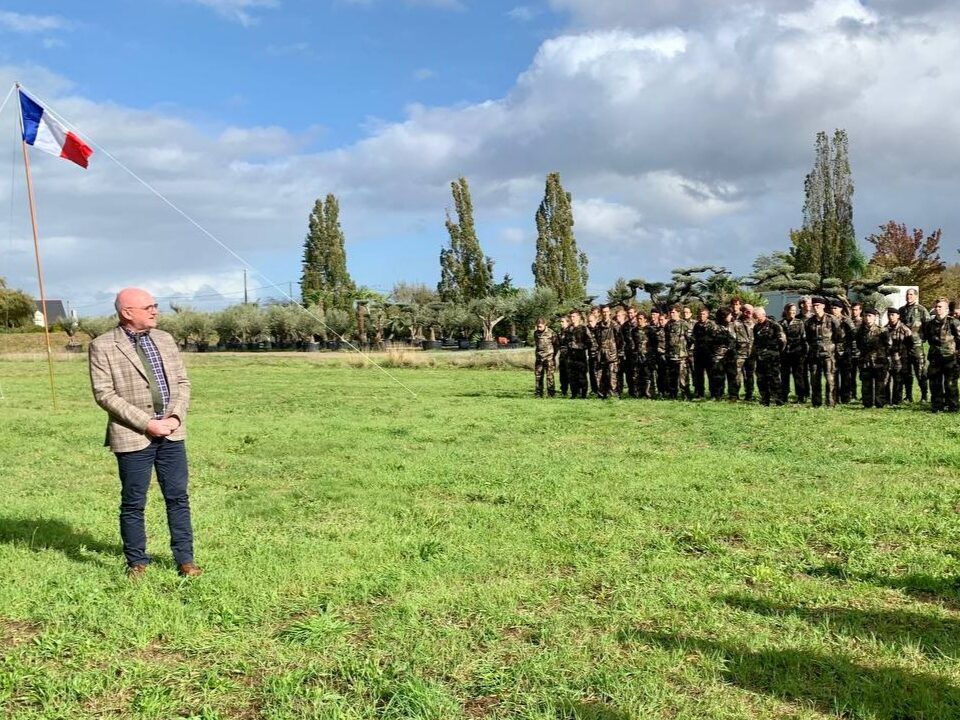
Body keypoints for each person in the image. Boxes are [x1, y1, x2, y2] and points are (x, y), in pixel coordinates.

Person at [88, 288, 201, 578]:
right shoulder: (103, 345)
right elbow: (104, 394)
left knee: (178, 497)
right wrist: (147, 423)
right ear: (127, 312)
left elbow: (182, 382)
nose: (155, 311)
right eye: (148, 307)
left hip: (172, 433)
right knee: (134, 501)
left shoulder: (164, 339)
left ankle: (186, 561)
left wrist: (175, 416)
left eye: (155, 305)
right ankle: (137, 562)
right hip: (133, 435)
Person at [923, 297, 960, 412]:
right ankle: (937, 405)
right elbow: (927, 338)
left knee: (950, 383)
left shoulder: (953, 322)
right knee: (935, 383)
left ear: (947, 309)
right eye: (936, 307)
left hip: (950, 357)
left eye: (940, 307)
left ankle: (952, 406)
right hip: (935, 358)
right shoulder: (929, 324)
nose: (938, 309)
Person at [806, 297, 841, 407]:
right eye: (814, 306)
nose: (815, 308)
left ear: (823, 306)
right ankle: (816, 403)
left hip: (828, 354)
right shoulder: (809, 321)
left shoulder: (832, 319)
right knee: (814, 379)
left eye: (818, 305)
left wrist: (834, 349)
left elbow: (839, 336)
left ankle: (830, 403)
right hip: (814, 354)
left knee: (830, 379)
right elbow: (808, 337)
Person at [856, 307, 890, 408]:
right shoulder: (860, 331)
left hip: (879, 361)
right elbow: (858, 344)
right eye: (865, 316)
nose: (867, 318)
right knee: (866, 384)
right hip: (865, 360)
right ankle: (867, 403)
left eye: (870, 316)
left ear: (875, 317)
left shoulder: (881, 330)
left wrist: (883, 356)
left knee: (880, 384)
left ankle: (879, 403)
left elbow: (888, 345)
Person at [899, 288, 929, 402]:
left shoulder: (921, 310)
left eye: (911, 294)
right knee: (906, 372)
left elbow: (927, 325)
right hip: (904, 345)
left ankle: (924, 396)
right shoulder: (901, 310)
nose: (909, 297)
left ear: (916, 296)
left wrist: (922, 338)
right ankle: (908, 395)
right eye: (907, 294)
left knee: (920, 372)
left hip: (916, 346)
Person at [752, 307, 786, 405]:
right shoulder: (756, 327)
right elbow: (755, 342)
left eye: (757, 316)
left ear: (763, 314)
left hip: (772, 356)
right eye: (754, 317)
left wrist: (776, 352)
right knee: (761, 379)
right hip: (760, 357)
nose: (756, 319)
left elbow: (782, 341)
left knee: (774, 378)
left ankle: (778, 399)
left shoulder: (774, 325)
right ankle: (764, 399)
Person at [780, 303, 808, 403]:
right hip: (784, 354)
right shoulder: (780, 323)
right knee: (784, 376)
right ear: (786, 311)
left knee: (798, 375)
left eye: (794, 311)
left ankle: (801, 396)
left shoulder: (799, 323)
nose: (792, 312)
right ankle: (784, 396)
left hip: (797, 352)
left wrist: (804, 353)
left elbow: (803, 338)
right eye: (791, 310)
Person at [885, 307, 913, 406]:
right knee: (886, 379)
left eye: (893, 315)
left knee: (898, 380)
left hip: (901, 358)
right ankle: (886, 400)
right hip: (888, 358)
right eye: (889, 315)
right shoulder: (885, 329)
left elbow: (910, 344)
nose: (890, 317)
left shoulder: (904, 329)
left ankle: (897, 400)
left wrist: (904, 358)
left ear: (898, 316)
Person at [566, 310, 591, 398]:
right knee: (572, 376)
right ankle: (574, 394)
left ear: (579, 317)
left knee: (582, 376)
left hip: (580, 355)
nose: (572, 318)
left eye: (574, 316)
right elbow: (566, 341)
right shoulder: (569, 329)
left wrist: (580, 346)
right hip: (571, 356)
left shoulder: (584, 328)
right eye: (571, 317)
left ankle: (583, 394)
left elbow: (589, 342)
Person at [533, 317, 557, 398]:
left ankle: (551, 394)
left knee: (550, 376)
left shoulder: (551, 333)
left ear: (545, 325)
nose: (539, 328)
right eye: (537, 326)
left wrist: (553, 355)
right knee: (538, 376)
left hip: (549, 358)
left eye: (540, 326)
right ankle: (539, 393)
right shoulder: (536, 333)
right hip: (539, 358)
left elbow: (556, 345)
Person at [557, 315, 570, 397]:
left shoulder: (571, 332)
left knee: (571, 375)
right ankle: (563, 391)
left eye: (563, 321)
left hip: (570, 356)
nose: (561, 323)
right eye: (560, 322)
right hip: (562, 356)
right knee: (562, 375)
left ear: (568, 322)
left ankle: (574, 391)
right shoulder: (559, 333)